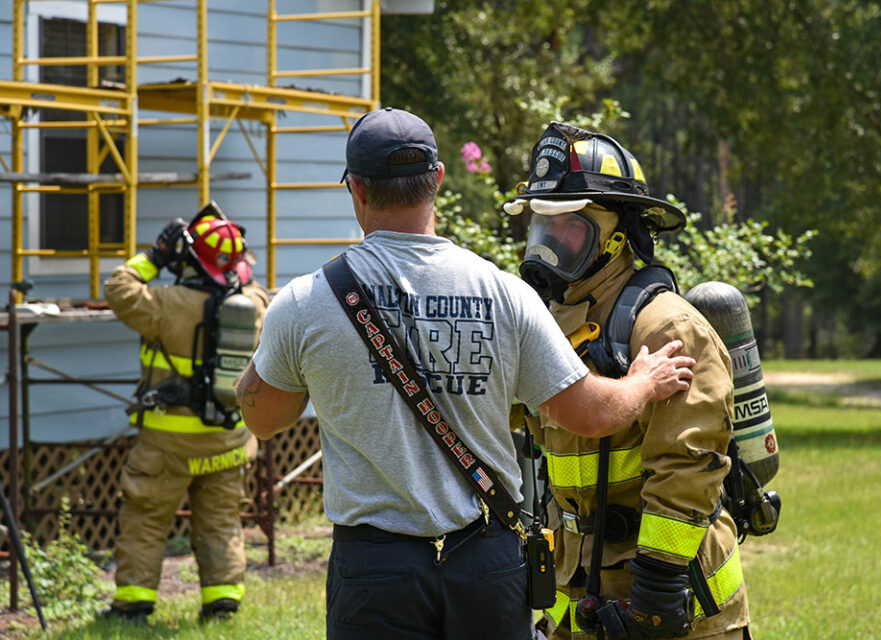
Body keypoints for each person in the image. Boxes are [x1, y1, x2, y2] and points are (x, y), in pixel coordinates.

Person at [236, 107, 696, 640]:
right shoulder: (506, 295)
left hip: (374, 570)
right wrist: (644, 382)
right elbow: (590, 415)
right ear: (437, 179)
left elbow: (263, 419)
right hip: (488, 559)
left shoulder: (305, 302)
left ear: (356, 189)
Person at [503, 122, 750, 639]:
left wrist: (657, 591)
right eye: (543, 225)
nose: (549, 243)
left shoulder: (666, 328)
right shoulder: (547, 323)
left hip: (673, 607)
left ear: (618, 236)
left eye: (569, 227)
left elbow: (687, 466)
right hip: (579, 594)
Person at [102, 203, 270, 621]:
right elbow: (245, 276)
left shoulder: (164, 304)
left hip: (167, 444)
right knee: (221, 521)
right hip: (228, 441)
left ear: (190, 260)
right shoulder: (256, 304)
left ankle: (134, 603)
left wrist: (157, 255)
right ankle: (222, 601)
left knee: (145, 518)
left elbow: (119, 288)